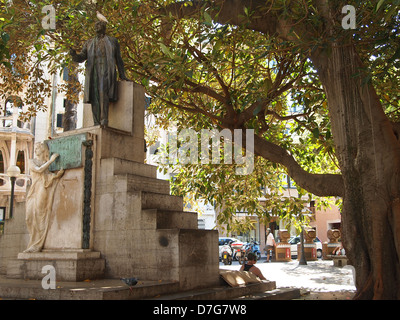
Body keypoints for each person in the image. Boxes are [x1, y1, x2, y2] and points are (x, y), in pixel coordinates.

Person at [70, 20, 129, 127]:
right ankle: (96, 122)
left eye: (99, 24)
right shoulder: (89, 43)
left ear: (104, 27)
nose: (97, 26)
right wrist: (74, 55)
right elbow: (81, 57)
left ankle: (104, 120)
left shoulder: (112, 41)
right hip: (93, 71)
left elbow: (118, 59)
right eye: (96, 25)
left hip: (106, 70)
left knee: (103, 94)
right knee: (94, 96)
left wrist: (122, 74)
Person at [24, 143, 64, 253]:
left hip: (42, 189)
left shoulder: (46, 165)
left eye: (38, 148)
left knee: (39, 214)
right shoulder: (32, 162)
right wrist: (51, 161)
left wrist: (56, 176)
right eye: (35, 148)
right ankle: (33, 241)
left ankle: (37, 244)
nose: (35, 150)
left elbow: (48, 177)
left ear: (43, 151)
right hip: (33, 191)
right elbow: (39, 170)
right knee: (29, 217)